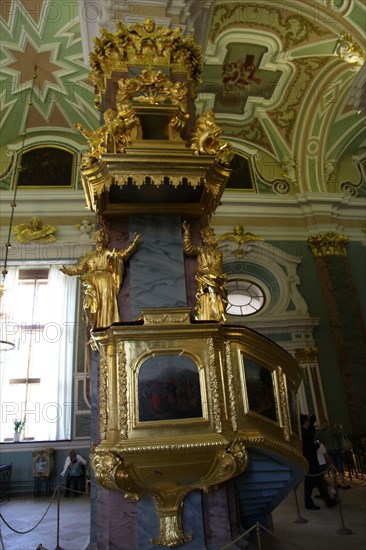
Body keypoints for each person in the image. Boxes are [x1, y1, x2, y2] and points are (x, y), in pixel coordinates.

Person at [61, 229, 141, 328]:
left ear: (105, 241)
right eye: (97, 238)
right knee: (91, 304)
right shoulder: (89, 258)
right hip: (93, 283)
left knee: (106, 303)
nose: (99, 241)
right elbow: (79, 269)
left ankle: (106, 327)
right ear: (95, 241)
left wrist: (133, 245)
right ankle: (95, 326)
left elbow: (123, 255)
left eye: (101, 238)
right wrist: (67, 271)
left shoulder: (109, 254)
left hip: (106, 281)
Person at [182, 221, 227, 322]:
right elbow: (188, 248)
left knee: (218, 299)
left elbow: (219, 268)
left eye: (213, 235)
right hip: (206, 278)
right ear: (204, 238)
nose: (212, 237)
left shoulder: (219, 253)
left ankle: (218, 318)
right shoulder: (202, 250)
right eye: (209, 235)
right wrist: (186, 233)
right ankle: (209, 317)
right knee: (209, 297)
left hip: (218, 280)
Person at [300, 414, 338, 510]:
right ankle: (312, 503)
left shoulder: (304, 432)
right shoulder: (304, 433)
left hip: (311, 461)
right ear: (305, 422)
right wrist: (317, 444)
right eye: (308, 420)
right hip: (311, 461)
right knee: (312, 484)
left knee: (318, 483)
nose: (309, 422)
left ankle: (328, 502)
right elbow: (309, 448)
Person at [317, 419, 351, 489]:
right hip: (335, 449)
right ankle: (343, 483)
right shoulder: (330, 430)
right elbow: (340, 433)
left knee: (332, 466)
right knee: (339, 466)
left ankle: (336, 483)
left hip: (328, 450)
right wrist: (339, 426)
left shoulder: (320, 433)